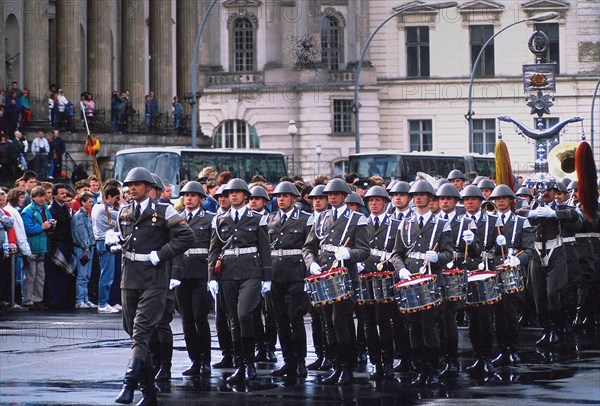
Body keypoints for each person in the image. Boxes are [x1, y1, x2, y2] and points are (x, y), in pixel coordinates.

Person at [112, 167, 193, 405]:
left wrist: (162, 254)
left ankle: (129, 383)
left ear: (148, 188)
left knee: (141, 331)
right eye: (128, 185)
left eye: (136, 184)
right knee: (134, 332)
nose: (131, 189)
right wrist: (113, 242)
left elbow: (186, 237)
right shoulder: (123, 211)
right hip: (130, 278)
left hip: (154, 279)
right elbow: (126, 241)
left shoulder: (164, 210)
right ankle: (149, 393)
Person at [302, 178, 370, 385]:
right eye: (329, 195)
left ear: (343, 196)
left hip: (344, 278)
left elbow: (364, 251)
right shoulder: (321, 218)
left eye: (336, 194)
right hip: (323, 277)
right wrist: (310, 263)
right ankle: (337, 366)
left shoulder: (357, 219)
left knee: (340, 322)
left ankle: (347, 368)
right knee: (327, 324)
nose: (332, 197)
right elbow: (309, 247)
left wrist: (349, 253)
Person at [207, 178, 272, 385]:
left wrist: (267, 276)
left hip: (250, 272)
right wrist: (211, 277)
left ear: (246, 196)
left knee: (245, 314)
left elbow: (264, 249)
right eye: (230, 193)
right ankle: (241, 365)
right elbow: (214, 250)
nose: (233, 196)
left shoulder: (256, 218)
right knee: (233, 319)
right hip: (227, 272)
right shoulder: (220, 219)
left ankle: (250, 362)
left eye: (237, 192)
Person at [391, 180, 454, 386]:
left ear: (430, 198)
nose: (417, 197)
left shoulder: (441, 224)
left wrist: (437, 257)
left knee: (429, 326)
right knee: (413, 327)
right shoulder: (405, 223)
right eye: (415, 195)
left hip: (431, 280)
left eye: (422, 194)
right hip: (410, 279)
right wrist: (401, 269)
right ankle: (420, 368)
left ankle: (433, 368)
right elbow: (397, 253)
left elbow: (448, 253)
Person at [517, 180, 579, 347]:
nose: (546, 193)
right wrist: (530, 213)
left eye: (550, 190)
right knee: (538, 295)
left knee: (553, 292)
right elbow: (517, 213)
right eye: (542, 189)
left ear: (555, 192)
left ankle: (557, 327)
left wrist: (554, 214)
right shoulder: (533, 207)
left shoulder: (560, 207)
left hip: (555, 251)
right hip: (536, 253)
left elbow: (575, 215)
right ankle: (546, 330)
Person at [266, 181, 312, 378]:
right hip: (276, 275)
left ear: (294, 198)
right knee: (280, 320)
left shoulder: (305, 219)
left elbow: (309, 247)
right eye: (278, 196)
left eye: (285, 196)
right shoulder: (270, 219)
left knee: (295, 319)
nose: (281, 199)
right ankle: (288, 361)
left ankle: (300, 360)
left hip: (296, 274)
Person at [171, 181, 214, 377]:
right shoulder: (176, 218)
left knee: (199, 317)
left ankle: (206, 360)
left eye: (192, 195)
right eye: (186, 195)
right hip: (181, 274)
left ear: (201, 199)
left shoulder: (210, 219)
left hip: (201, 273)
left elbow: (214, 249)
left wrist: (212, 275)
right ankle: (194, 360)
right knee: (186, 320)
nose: (188, 198)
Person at [488, 185, 535, 366]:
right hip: (495, 269)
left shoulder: (521, 222)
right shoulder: (489, 221)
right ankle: (502, 348)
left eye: (504, 198)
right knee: (498, 312)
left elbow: (530, 249)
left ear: (511, 201)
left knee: (510, 311)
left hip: (512, 269)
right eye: (497, 199)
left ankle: (512, 348)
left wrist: (518, 260)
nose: (500, 201)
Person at [360, 186, 403, 381]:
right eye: (370, 201)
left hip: (386, 278)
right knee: (368, 323)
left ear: (385, 203)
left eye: (377, 200)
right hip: (365, 277)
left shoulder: (396, 224)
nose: (374, 204)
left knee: (384, 321)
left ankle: (388, 361)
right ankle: (375, 361)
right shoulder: (361, 223)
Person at [248, 185, 277, 363]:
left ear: (265, 201)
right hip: (253, 267)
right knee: (254, 311)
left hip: (271, 266)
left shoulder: (272, 218)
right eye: (251, 199)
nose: (253, 202)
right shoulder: (248, 218)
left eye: (257, 199)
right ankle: (260, 346)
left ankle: (271, 347)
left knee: (271, 312)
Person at [21, 186, 54, 310]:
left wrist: (51, 225)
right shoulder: (28, 211)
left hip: (42, 246)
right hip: (32, 246)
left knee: (40, 275)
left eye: (43, 196)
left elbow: (49, 223)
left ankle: (38, 299)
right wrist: (42, 227)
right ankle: (28, 300)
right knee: (30, 275)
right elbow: (27, 228)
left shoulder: (46, 209)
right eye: (39, 196)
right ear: (33, 198)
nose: (42, 198)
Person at [92, 186, 120, 314]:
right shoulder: (103, 209)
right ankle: (103, 303)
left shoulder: (97, 207)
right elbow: (121, 215)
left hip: (102, 242)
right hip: (105, 242)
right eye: (115, 198)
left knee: (107, 274)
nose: (116, 201)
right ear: (108, 197)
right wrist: (120, 205)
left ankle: (106, 302)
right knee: (107, 275)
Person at [46, 183, 75, 310]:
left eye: (65, 193)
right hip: (57, 243)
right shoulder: (52, 209)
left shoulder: (64, 208)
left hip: (66, 243)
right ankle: (55, 300)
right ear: (54, 195)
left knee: (64, 273)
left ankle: (61, 299)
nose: (64, 195)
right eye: (61, 193)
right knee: (56, 273)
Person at [72, 192, 96, 309]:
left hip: (89, 247)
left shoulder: (87, 215)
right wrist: (86, 249)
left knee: (87, 275)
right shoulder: (79, 216)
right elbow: (82, 235)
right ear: (83, 202)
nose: (92, 204)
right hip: (82, 249)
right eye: (90, 201)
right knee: (82, 275)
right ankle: (80, 300)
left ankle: (85, 299)